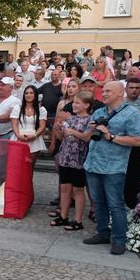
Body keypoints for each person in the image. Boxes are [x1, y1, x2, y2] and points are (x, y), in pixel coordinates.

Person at [83, 81, 140, 255]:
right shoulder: (99, 111)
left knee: (116, 204)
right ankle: (102, 233)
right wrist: (92, 129)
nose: (104, 93)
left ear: (120, 93)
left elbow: (137, 140)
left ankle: (119, 240)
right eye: (103, 90)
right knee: (98, 202)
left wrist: (110, 136)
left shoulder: (133, 114)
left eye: (108, 91)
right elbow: (89, 137)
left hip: (114, 166)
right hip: (93, 163)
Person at [50, 91, 94, 231]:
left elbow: (87, 138)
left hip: (79, 159)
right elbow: (62, 137)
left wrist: (73, 132)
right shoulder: (70, 119)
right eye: (73, 102)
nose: (73, 105)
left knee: (78, 190)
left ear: (86, 105)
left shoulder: (90, 120)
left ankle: (78, 220)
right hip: (65, 158)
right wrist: (57, 130)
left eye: (77, 103)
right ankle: (63, 216)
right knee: (64, 189)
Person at [10, 85, 47, 168]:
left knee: (29, 167)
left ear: (35, 95)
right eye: (26, 93)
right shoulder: (17, 108)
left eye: (31, 93)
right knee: (17, 166)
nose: (28, 95)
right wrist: (18, 135)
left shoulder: (41, 109)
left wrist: (35, 135)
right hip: (18, 138)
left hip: (34, 139)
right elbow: (14, 124)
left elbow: (42, 126)